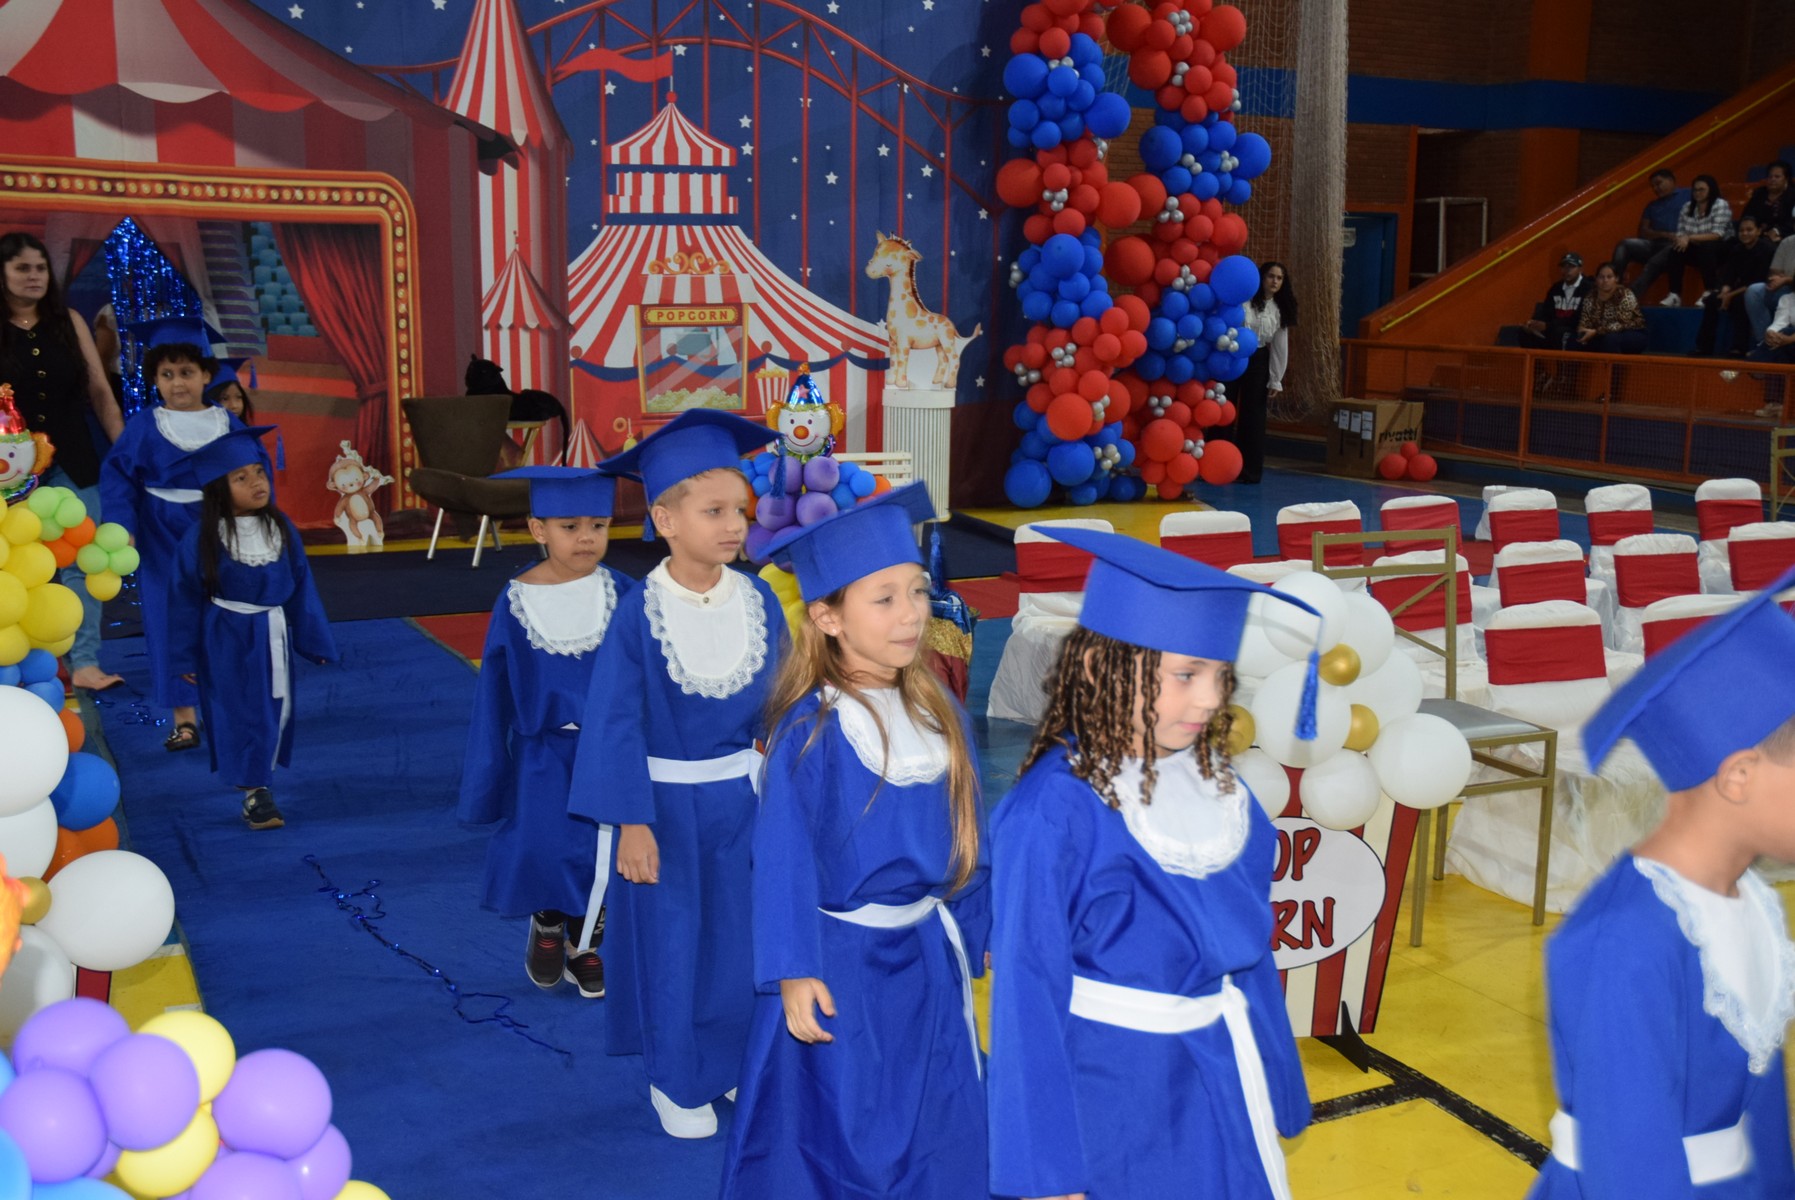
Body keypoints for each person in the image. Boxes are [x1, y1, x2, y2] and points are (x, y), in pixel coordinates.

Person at [987, 528, 1319, 1200]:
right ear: (1102, 669)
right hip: (1111, 1093)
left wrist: (1279, 1078)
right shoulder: (1055, 810)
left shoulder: (1224, 793)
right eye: (1185, 675)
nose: (1208, 699)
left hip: (1219, 1075)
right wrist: (1046, 1170)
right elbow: (1026, 992)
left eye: (1220, 676)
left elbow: (1249, 959)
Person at [718, 481, 989, 1199]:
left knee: (938, 1115)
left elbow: (969, 838)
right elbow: (780, 863)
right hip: (842, 967)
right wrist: (793, 970)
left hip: (925, 962)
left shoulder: (942, 715)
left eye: (917, 592)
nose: (911, 616)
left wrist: (977, 924)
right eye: (884, 598)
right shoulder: (810, 733)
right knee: (845, 1130)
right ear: (827, 617)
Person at [1528, 566, 1795, 1199]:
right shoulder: (1624, 942)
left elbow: (1762, 1102)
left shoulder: (1752, 903)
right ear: (1738, 778)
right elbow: (1630, 1166)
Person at [567, 409, 784, 1139]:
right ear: (663, 516)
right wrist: (630, 820)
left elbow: (782, 704)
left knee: (738, 944)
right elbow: (615, 722)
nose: (733, 526)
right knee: (672, 947)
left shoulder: (757, 603)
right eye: (713, 510)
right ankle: (674, 1078)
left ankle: (725, 1066)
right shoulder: (639, 614)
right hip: (660, 810)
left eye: (740, 512)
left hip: (740, 807)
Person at [458, 466, 629, 1000]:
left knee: (603, 851)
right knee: (547, 846)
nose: (586, 538)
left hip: (610, 749)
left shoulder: (625, 593)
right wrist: (489, 775)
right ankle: (549, 921)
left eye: (598, 525)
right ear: (538, 529)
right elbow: (495, 693)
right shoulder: (516, 603)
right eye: (569, 526)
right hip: (543, 754)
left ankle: (585, 944)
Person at [165, 427, 335, 831]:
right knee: (239, 712)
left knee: (271, 710)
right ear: (218, 489)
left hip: (271, 632)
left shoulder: (281, 530)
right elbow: (182, 600)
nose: (257, 482)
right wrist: (184, 657)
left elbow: (301, 586)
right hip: (225, 637)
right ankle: (255, 792)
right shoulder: (201, 539)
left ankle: (258, 783)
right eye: (241, 477)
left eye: (259, 472)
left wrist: (314, 639)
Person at [100, 318, 253, 752]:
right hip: (161, 534)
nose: (177, 383)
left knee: (226, 619)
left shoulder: (228, 425)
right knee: (170, 624)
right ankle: (185, 718)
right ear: (154, 380)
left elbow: (254, 478)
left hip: (219, 533)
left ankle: (230, 706)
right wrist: (123, 528)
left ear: (207, 375)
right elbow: (118, 479)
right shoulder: (145, 427)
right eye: (166, 375)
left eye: (186, 372)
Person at [0, 232, 125, 692]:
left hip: (76, 458)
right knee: (16, 566)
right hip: (10, 471)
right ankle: (18, 663)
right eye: (22, 268)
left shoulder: (68, 321)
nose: (34, 277)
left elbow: (100, 393)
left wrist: (128, 453)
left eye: (40, 268)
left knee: (85, 560)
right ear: (3, 274)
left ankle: (85, 663)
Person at [1219, 261, 1294, 485]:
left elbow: (1281, 346)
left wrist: (1275, 379)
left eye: (1279, 278)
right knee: (1224, 411)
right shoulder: (1244, 301)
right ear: (1261, 278)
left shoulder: (1280, 310)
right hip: (1231, 356)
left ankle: (1249, 471)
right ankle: (1218, 467)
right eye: (1271, 276)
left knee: (1253, 417)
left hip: (1259, 359)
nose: (1275, 281)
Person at [1634, 175, 1732, 305]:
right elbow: (1681, 234)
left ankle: (1710, 290)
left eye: (1701, 189)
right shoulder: (1687, 207)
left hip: (1721, 248)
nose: (1697, 193)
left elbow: (1717, 234)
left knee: (1707, 246)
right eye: (1695, 190)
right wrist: (1683, 239)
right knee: (1676, 249)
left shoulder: (1720, 204)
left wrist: (1688, 237)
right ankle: (1674, 294)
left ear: (1711, 190)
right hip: (1696, 246)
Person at [1694, 215, 1773, 357]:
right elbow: (1728, 274)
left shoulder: (1766, 249)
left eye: (1749, 230)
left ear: (1758, 231)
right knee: (1712, 299)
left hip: (1758, 291)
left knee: (1740, 301)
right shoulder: (1737, 250)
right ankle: (1704, 347)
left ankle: (1738, 348)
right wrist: (1725, 291)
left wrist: (1730, 295)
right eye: (1742, 230)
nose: (1745, 233)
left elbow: (1759, 281)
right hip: (1737, 289)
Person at [1612, 169, 1691, 286]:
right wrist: (1664, 234)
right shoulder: (1652, 205)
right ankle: (1614, 285)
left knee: (1662, 255)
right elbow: (1643, 232)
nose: (1655, 188)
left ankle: (1632, 295)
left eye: (1658, 183)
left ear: (1671, 180)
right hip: (1655, 244)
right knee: (1624, 245)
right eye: (1653, 186)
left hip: (1679, 245)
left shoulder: (1689, 194)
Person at [1521, 253, 1595, 352]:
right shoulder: (1555, 288)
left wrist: (1548, 325)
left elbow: (1580, 319)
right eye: (1564, 266)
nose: (1567, 270)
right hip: (1554, 328)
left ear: (1580, 269)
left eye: (1572, 266)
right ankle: (1538, 366)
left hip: (1575, 330)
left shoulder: (1589, 288)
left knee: (1560, 333)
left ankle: (1565, 367)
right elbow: (1546, 312)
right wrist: (1534, 323)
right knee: (1525, 332)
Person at [1577, 264, 1649, 355]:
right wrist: (1583, 330)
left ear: (1616, 279)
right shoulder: (1590, 297)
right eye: (1601, 277)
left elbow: (1622, 324)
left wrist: (1596, 332)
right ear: (1596, 279)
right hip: (1601, 333)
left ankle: (1615, 369)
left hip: (1632, 332)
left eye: (1609, 277)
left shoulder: (1625, 294)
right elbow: (1585, 319)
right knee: (1576, 339)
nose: (1605, 280)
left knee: (1610, 339)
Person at [1746, 287, 1795, 418]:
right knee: (1779, 350)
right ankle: (1775, 405)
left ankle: (1753, 364)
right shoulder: (1788, 299)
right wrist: (1771, 333)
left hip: (1792, 339)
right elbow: (1779, 322)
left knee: (1787, 334)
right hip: (1789, 345)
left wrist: (1789, 338)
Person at [1742, 232, 1795, 349]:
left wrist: (1787, 279)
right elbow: (1774, 271)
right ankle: (1765, 341)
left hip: (1788, 285)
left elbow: (1784, 276)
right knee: (1754, 291)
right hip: (1784, 288)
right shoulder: (1788, 241)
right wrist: (1778, 279)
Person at [1739, 159, 1794, 242]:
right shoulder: (1759, 194)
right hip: (1756, 235)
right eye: (1770, 176)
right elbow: (1747, 216)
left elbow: (1792, 223)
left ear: (1786, 179)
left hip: (1782, 237)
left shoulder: (1792, 196)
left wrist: (1777, 231)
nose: (1772, 179)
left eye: (1777, 177)